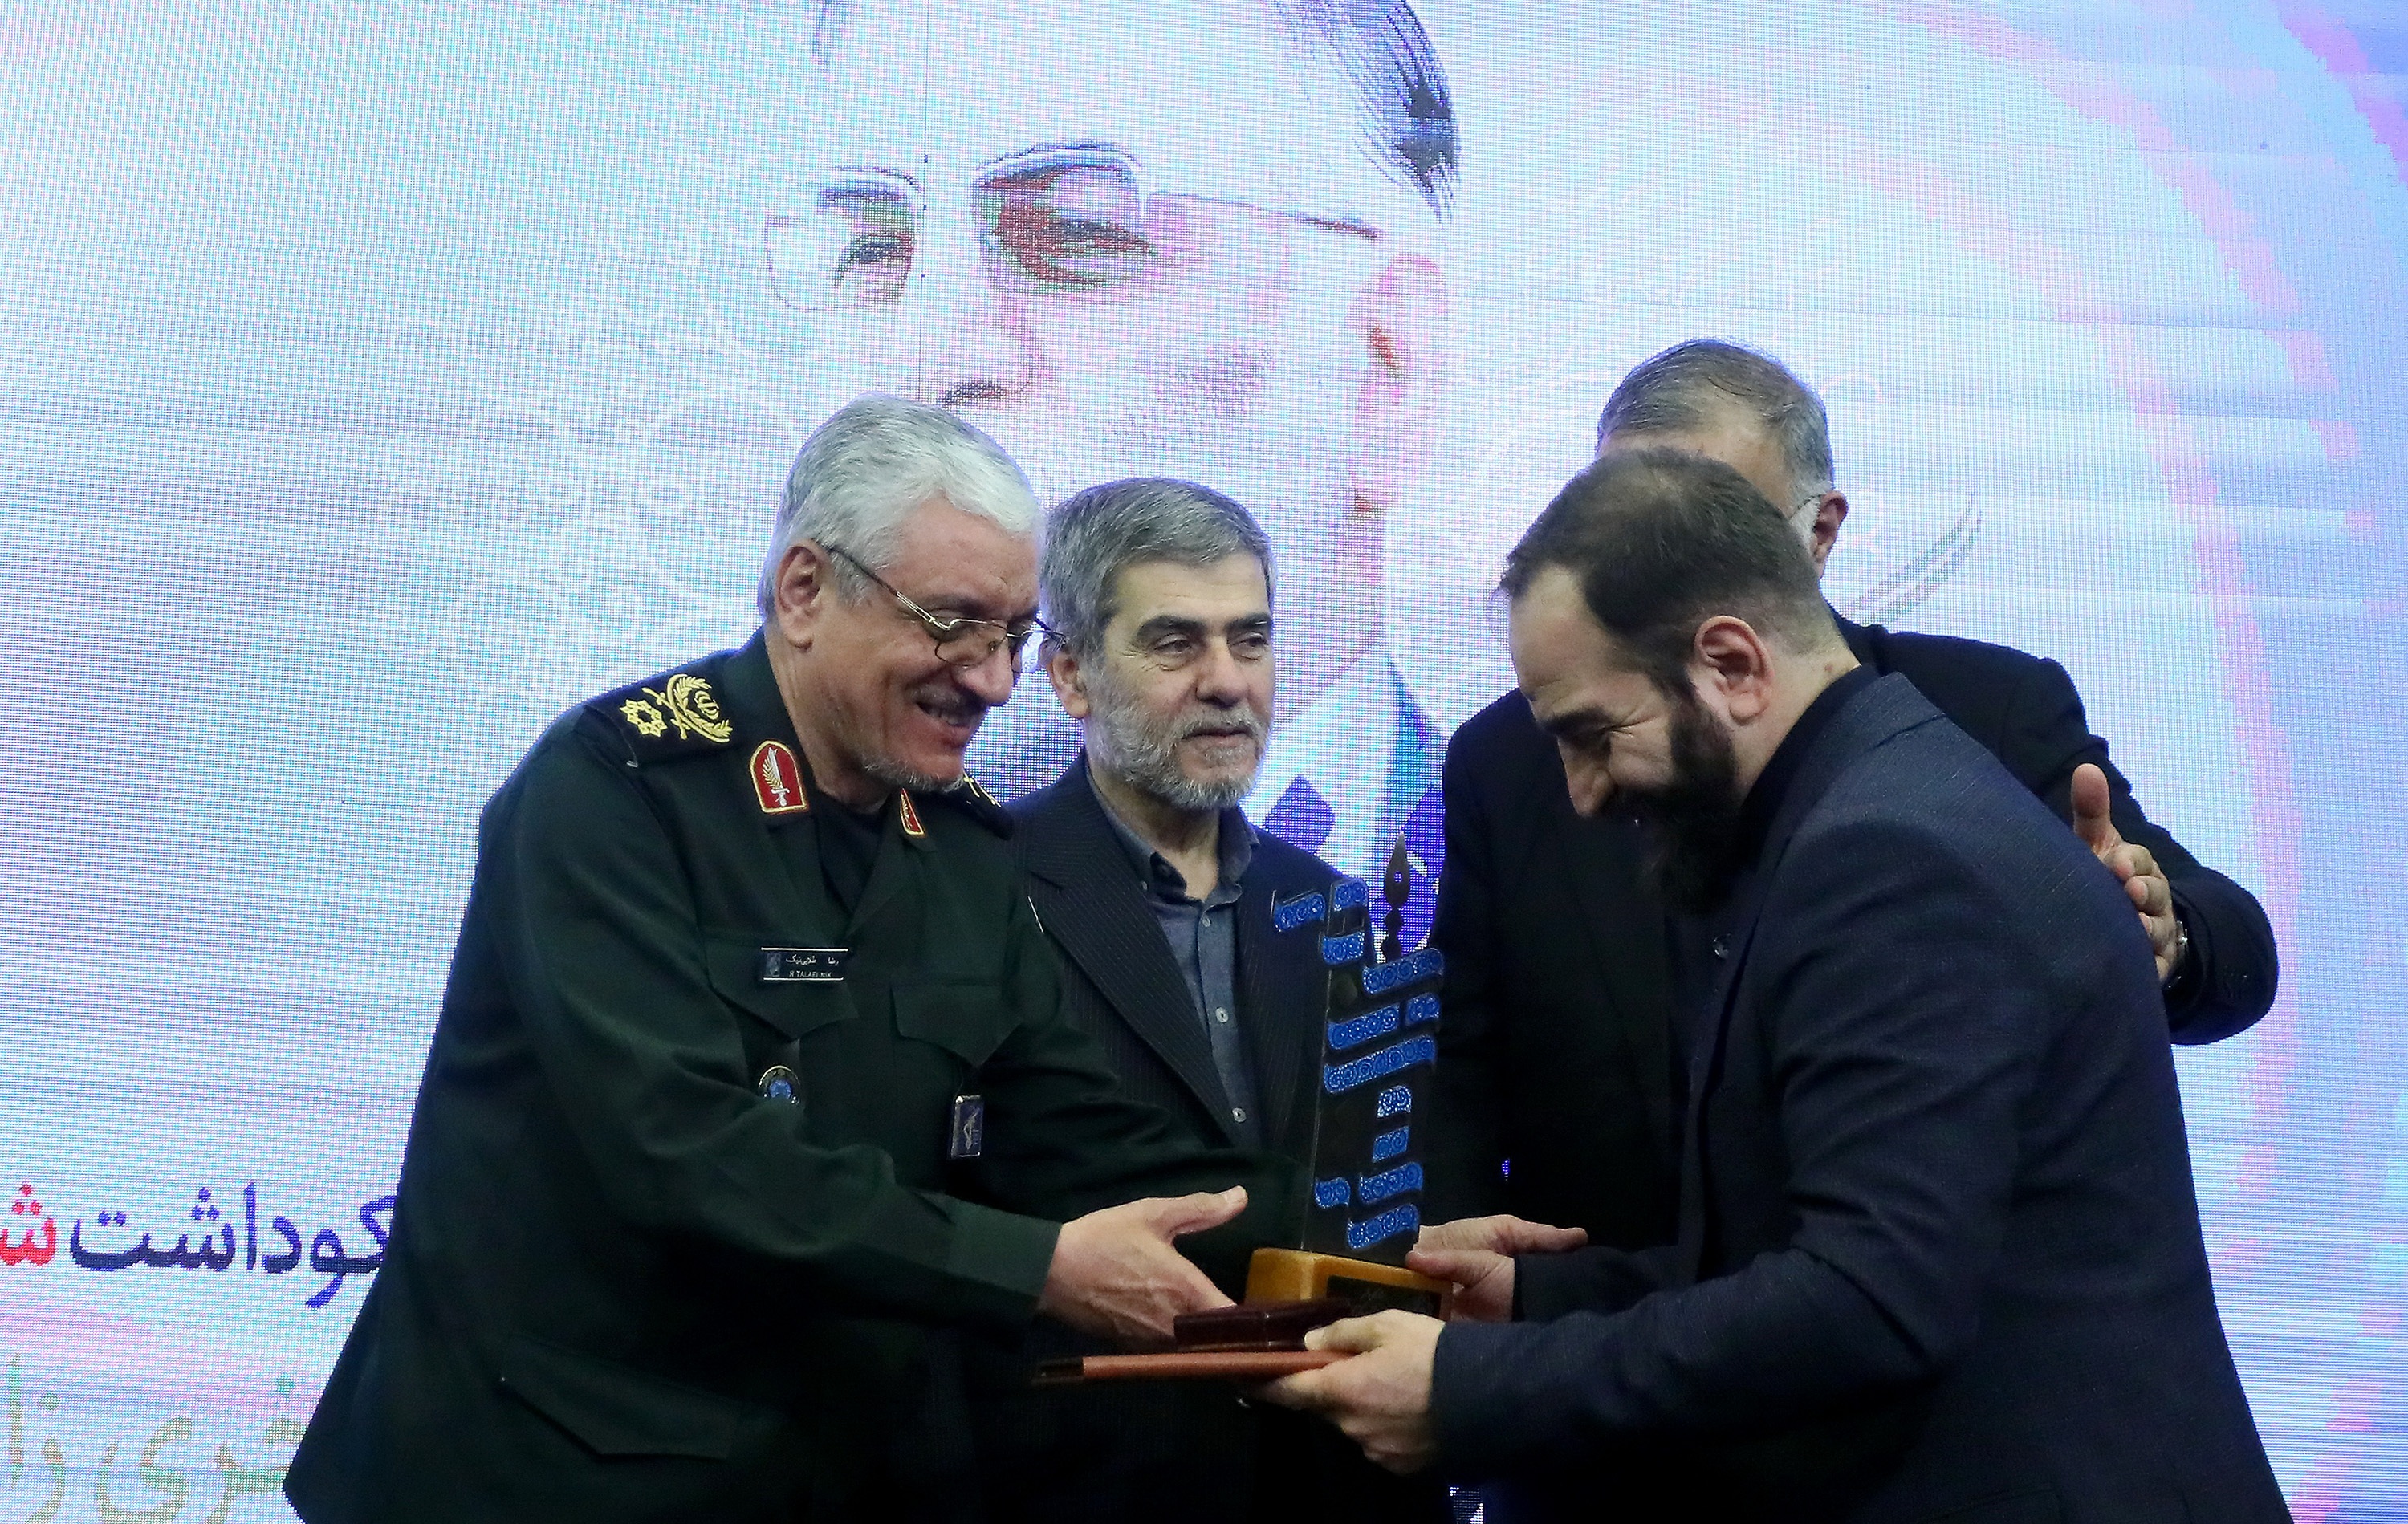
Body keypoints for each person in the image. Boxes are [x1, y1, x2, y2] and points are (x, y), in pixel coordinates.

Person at [284, 396, 1304, 1523]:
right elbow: (687, 1150)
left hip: (813, 1470)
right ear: (806, 589)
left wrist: (1376, 1232)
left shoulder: (962, 845)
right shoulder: (615, 793)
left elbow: (1075, 1133)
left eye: (1013, 636)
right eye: (953, 623)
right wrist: (1036, 1268)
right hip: (549, 1471)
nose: (991, 679)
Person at [1265, 450, 2288, 1521]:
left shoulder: (1886, 856)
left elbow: (1868, 1300)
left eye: (1594, 735)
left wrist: (1472, 1390)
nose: (1580, 794)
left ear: (1734, 664)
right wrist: (1534, 1295)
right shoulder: (1864, 804)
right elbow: (1802, 1250)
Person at [1426, 339, 2280, 1246]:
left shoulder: (1987, 714)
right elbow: (1454, 1078)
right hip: (1596, 1310)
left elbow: (2236, 945)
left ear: (1820, 534)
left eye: (1717, 529)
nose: (1661, 583)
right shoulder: (1510, 760)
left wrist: (2159, 938)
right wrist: (1438, 1298)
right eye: (1622, 530)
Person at [780, 0, 1459, 892]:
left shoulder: (1578, 888)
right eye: (872, 251)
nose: (925, 357)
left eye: (1077, 233)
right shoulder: (694, 883)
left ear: (1386, 371)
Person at [966, 476, 1446, 1522]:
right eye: (1176, 643)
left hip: (1325, 1473)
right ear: (1071, 675)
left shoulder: (1332, 905)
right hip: (1079, 1478)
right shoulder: (975, 887)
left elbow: (1369, 1194)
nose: (1228, 682)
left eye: (1251, 639)